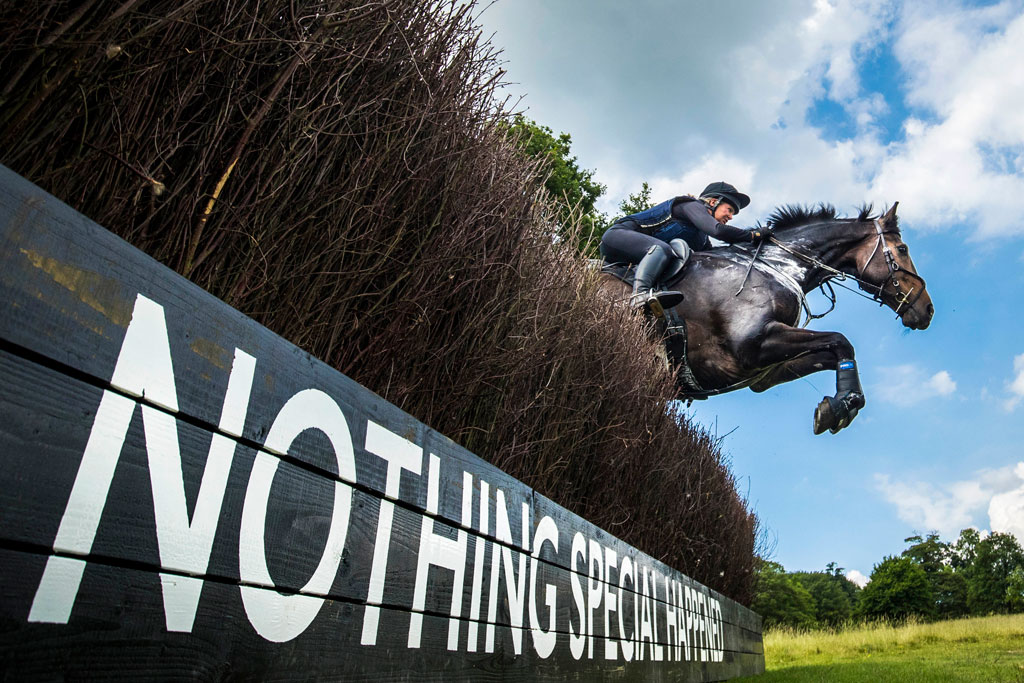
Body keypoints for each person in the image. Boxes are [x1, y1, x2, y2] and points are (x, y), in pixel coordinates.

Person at [600, 181, 772, 313]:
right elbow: (718, 231)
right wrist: (752, 235)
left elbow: (714, 257)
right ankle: (639, 296)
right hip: (618, 237)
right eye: (729, 210)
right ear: (713, 201)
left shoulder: (701, 238)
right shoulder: (691, 205)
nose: (730, 216)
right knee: (662, 249)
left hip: (640, 255)